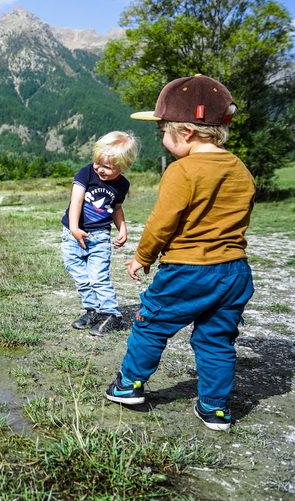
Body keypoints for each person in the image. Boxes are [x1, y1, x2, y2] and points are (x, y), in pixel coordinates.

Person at [103, 75, 254, 431]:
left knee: (151, 325)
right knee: (217, 339)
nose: (162, 139)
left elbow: (162, 222)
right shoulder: (241, 169)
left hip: (188, 270)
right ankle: (215, 408)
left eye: (163, 131)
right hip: (235, 272)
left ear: (185, 133)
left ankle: (128, 385)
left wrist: (143, 257)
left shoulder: (182, 170)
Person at [61, 131, 139, 337]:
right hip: (73, 234)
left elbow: (116, 208)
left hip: (99, 236)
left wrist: (123, 228)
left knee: (98, 277)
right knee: (81, 276)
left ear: (125, 165)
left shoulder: (122, 185)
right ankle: (92, 310)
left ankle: (111, 314)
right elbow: (76, 201)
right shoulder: (87, 173)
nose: (100, 169)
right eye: (98, 163)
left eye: (108, 167)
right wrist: (74, 228)